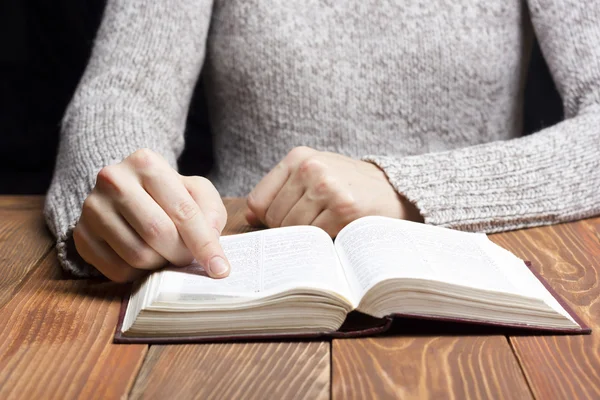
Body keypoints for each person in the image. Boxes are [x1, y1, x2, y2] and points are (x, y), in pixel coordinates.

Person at [45, 0, 600, 282]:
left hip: (478, 285)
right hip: (237, 278)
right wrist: (124, 188)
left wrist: (402, 188)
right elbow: (121, 92)